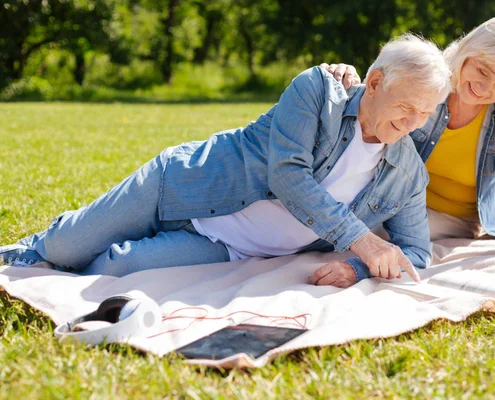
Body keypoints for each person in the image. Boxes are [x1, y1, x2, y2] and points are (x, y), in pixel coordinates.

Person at [0, 34, 452, 288]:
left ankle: (60, 260)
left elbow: (416, 251)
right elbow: (289, 176)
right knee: (62, 250)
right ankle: (36, 249)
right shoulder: (318, 91)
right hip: (181, 184)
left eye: (426, 114)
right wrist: (363, 243)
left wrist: (355, 267)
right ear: (374, 82)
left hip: (226, 243)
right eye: (407, 107)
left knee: (115, 270)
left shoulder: (409, 172)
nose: (413, 123)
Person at [319, 16, 495, 286]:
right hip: (395, 198)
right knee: (329, 214)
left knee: (357, 230)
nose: (484, 89)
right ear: (468, 52)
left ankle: (360, 267)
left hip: (453, 218)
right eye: (482, 71)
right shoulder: (429, 82)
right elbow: (377, 97)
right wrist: (341, 77)